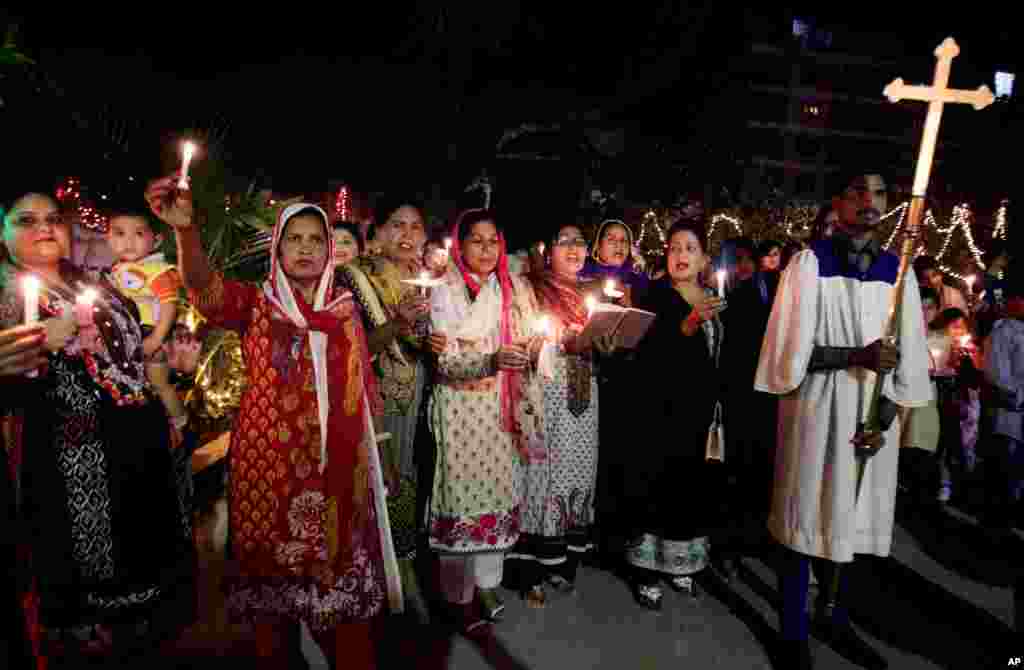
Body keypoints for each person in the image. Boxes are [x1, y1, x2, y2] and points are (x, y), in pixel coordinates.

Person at [146, 177, 398, 670]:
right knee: (272, 621)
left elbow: (363, 392)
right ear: (278, 248)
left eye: (315, 240)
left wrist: (380, 461)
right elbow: (202, 289)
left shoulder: (344, 311)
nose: (305, 248)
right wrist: (186, 232)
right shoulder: (255, 303)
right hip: (269, 475)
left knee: (345, 628)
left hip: (335, 476)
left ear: (329, 250)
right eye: (294, 239)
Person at [0, 191, 194, 663]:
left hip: (136, 447)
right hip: (71, 461)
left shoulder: (95, 282)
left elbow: (129, 353)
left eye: (52, 218)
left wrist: (174, 363)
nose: (44, 227)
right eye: (27, 220)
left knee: (147, 597)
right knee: (91, 622)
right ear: (3, 234)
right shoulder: (7, 296)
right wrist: (36, 344)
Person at [755, 172, 931, 669]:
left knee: (850, 521)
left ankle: (834, 616)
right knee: (806, 516)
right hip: (817, 408)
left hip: (871, 418)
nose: (869, 202)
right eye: (858, 192)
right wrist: (858, 353)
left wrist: (887, 416)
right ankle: (791, 632)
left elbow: (910, 357)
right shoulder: (809, 264)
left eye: (878, 193)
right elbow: (788, 356)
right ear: (839, 201)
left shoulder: (900, 273)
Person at [426, 208, 545, 633]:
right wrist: (491, 359)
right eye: (476, 240)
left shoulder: (506, 288)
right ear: (460, 245)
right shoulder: (443, 290)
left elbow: (528, 337)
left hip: (498, 407)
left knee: (496, 489)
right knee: (459, 497)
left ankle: (488, 583)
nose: (485, 249)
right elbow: (445, 361)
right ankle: (456, 594)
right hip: (458, 409)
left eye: (493, 241)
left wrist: (532, 345)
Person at [503, 224, 617, 607]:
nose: (574, 249)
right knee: (543, 474)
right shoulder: (531, 286)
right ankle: (529, 569)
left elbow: (600, 342)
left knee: (576, 471)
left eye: (580, 243)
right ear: (548, 249)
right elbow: (524, 335)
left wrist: (606, 339)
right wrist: (559, 340)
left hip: (585, 392)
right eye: (564, 241)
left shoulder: (593, 290)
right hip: (546, 390)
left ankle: (561, 561)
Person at [334, 199, 433, 621]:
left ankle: (407, 566)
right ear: (376, 233)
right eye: (397, 225)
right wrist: (397, 324)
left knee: (412, 480)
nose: (407, 235)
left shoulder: (431, 282)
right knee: (381, 485)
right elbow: (351, 348)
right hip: (375, 400)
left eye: (415, 227)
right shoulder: (354, 278)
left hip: (424, 398)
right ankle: (385, 576)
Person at [621, 220, 726, 610]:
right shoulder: (655, 295)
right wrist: (687, 324)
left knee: (690, 485)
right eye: (675, 248)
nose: (681, 255)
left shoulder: (715, 297)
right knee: (657, 483)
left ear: (704, 259)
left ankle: (680, 561)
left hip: (701, 411)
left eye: (690, 248)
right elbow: (646, 353)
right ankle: (647, 569)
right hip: (660, 410)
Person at [105, 211, 189, 446]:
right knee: (144, 387)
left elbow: (169, 305)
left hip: (151, 332)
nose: (129, 241)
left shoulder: (156, 269)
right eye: (119, 233)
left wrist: (157, 337)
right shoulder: (118, 269)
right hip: (131, 336)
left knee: (159, 383)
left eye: (139, 233)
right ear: (108, 238)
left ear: (157, 239)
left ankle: (181, 424)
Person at [981, 270, 1024, 545]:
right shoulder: (1003, 331)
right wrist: (1016, 395)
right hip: (1010, 417)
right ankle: (997, 528)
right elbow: (998, 375)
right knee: (1007, 474)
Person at [579, 218, 649, 306]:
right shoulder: (580, 273)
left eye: (624, 241)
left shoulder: (637, 279)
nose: (619, 245)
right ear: (598, 246)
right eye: (611, 239)